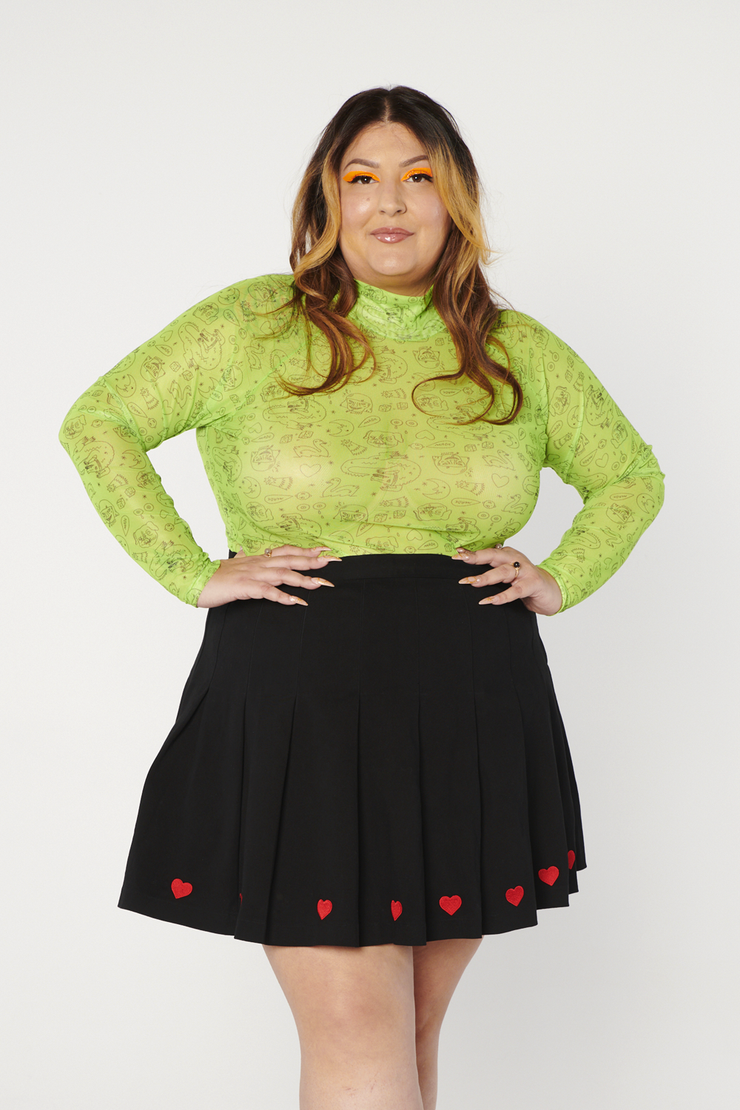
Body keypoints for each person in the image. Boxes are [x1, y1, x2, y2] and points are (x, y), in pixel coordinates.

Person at [59, 86, 664, 1110]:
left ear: (454, 200)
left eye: (418, 178)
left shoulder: (515, 349)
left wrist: (560, 574)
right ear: (327, 199)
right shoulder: (249, 324)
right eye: (362, 178)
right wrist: (188, 569)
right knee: (359, 1035)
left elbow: (631, 476)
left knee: (408, 1036)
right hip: (296, 698)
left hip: (472, 701)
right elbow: (99, 422)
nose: (390, 203)